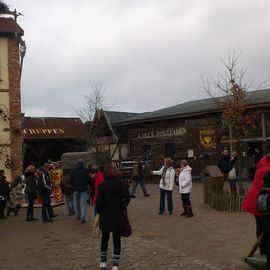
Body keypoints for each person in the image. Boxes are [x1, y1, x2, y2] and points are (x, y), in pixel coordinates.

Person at [96, 164, 130, 270]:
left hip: (105, 215)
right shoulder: (122, 184)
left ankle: (103, 263)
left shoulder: (102, 185)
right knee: (116, 240)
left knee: (104, 239)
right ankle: (115, 265)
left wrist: (98, 212)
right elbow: (127, 198)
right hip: (118, 215)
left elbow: (99, 202)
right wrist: (121, 207)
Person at [242, 152, 270, 257]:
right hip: (261, 202)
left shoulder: (263, 164)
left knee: (261, 226)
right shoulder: (266, 169)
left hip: (259, 200)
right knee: (264, 227)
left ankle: (264, 250)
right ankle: (265, 251)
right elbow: (267, 189)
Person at [70, 159, 90, 223]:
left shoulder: (73, 170)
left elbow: (71, 180)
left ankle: (78, 215)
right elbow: (88, 179)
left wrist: (74, 186)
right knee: (83, 204)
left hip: (76, 189)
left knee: (77, 203)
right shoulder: (86, 170)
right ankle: (82, 218)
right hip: (84, 189)